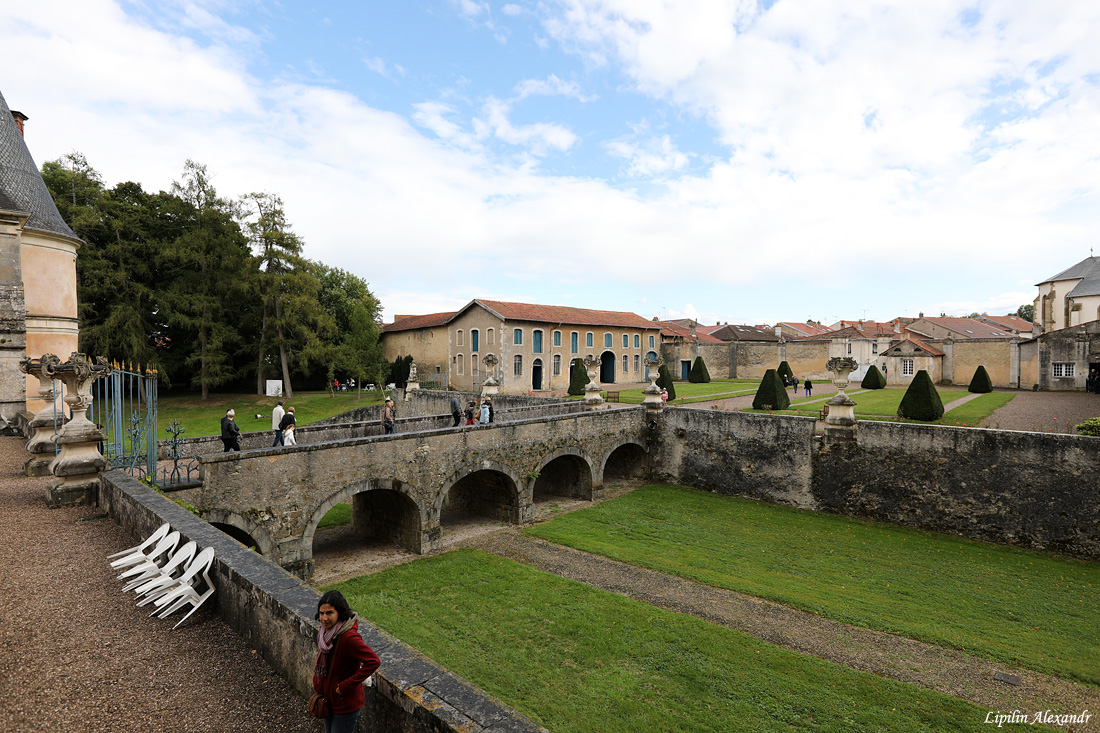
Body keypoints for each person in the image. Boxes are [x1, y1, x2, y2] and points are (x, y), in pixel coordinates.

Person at [313, 590, 381, 733]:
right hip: (328, 698)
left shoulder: (348, 638)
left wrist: (344, 686)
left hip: (345, 703)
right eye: (321, 613)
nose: (324, 618)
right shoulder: (324, 633)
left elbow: (373, 661)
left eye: (329, 613)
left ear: (340, 613)